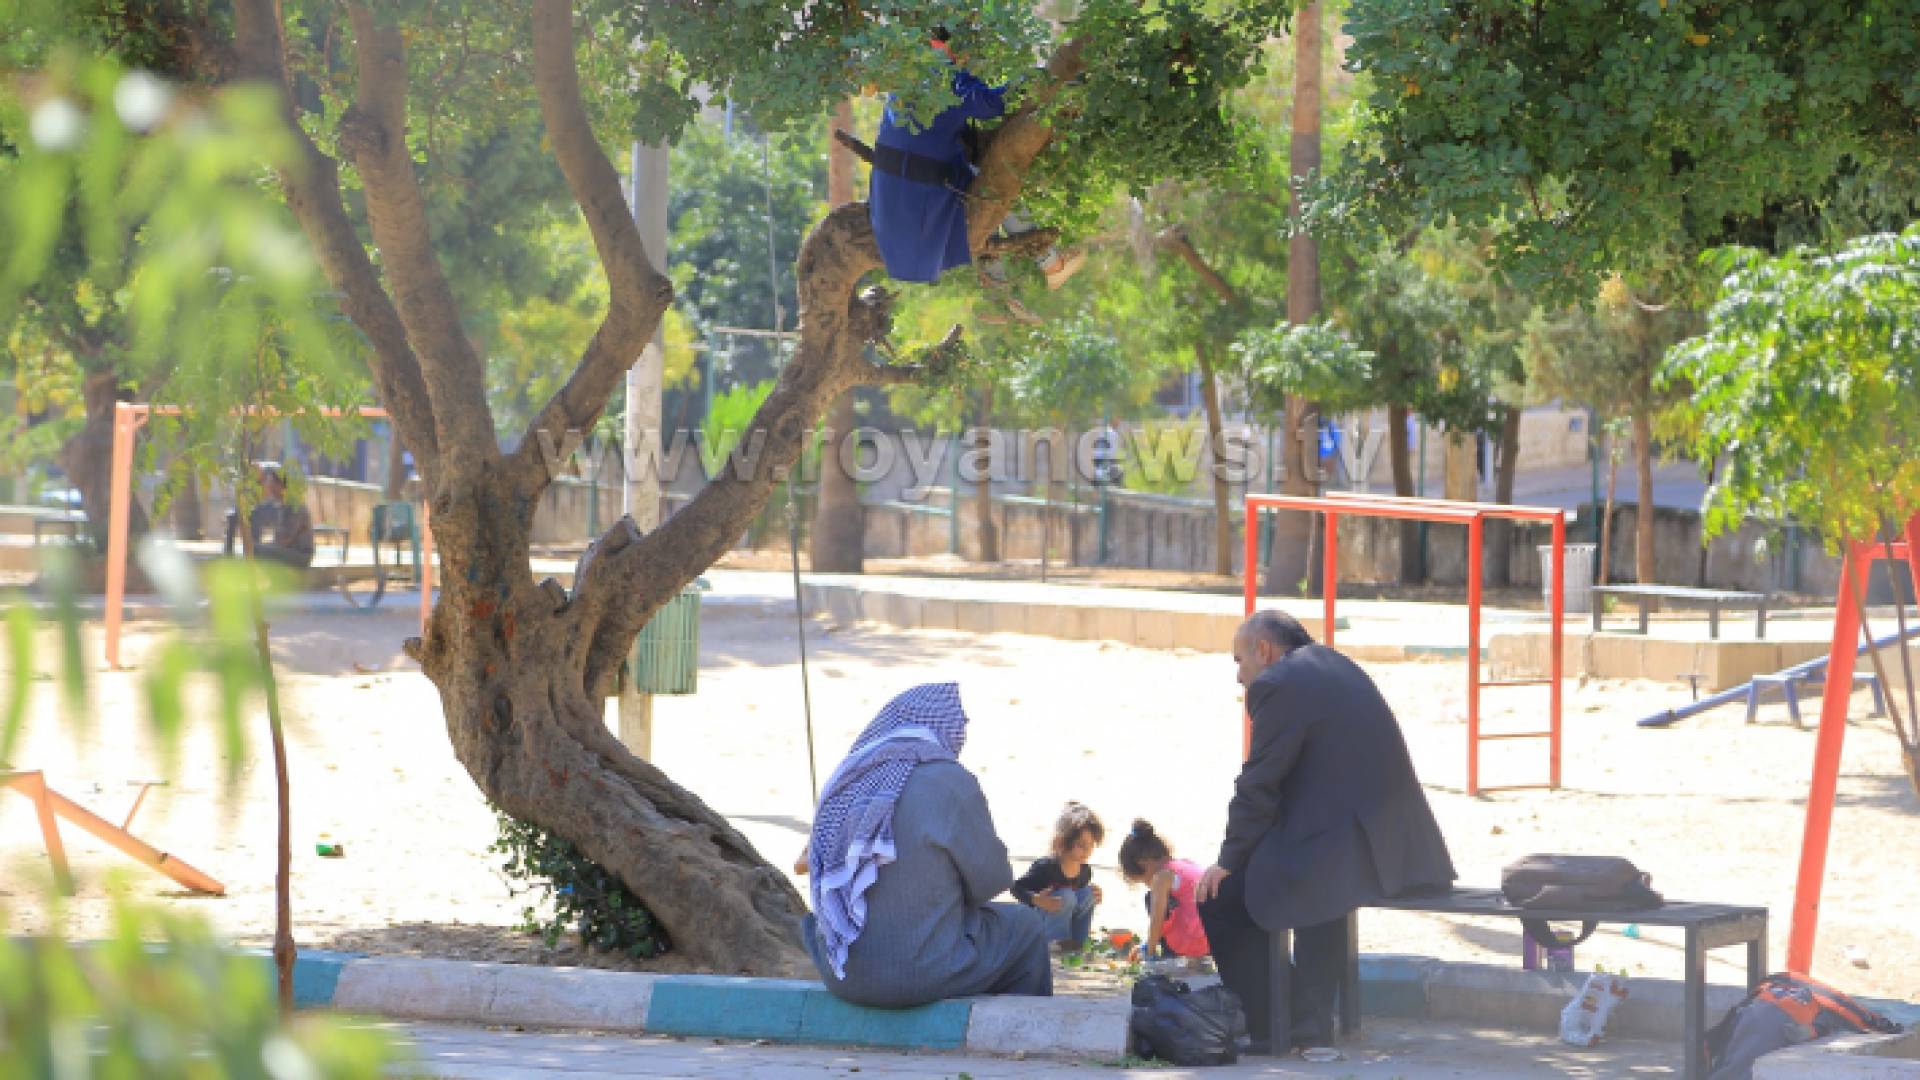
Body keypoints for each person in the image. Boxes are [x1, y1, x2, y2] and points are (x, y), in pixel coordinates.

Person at [1194, 611, 1455, 1055]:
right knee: (1310, 881)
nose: (1240, 677)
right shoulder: (1334, 663)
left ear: (1264, 650)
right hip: (1393, 846)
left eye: (1239, 661)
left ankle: (1281, 1025)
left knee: (1221, 897)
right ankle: (1306, 1020)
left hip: (1345, 847)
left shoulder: (1277, 685)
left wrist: (1228, 860)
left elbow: (1259, 783)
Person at [803, 682, 1052, 1007]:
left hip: (843, 976)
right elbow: (993, 882)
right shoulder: (950, 781)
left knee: (812, 923)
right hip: (923, 974)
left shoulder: (846, 781)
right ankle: (1022, 1035)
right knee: (1026, 927)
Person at [868, 29, 1081, 291]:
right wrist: (1030, 78)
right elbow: (992, 104)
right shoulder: (945, 77)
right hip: (922, 200)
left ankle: (1000, 279)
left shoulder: (907, 74)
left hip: (888, 199)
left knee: (975, 172)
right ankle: (1049, 264)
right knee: (993, 182)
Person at [1011, 801, 1104, 949]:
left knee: (1088, 893)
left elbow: (1077, 904)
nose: (1087, 851)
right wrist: (1037, 899)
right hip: (1040, 924)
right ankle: (1055, 942)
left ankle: (1078, 941)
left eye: (1091, 845)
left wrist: (1095, 897)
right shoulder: (1046, 867)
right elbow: (1016, 888)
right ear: (1061, 842)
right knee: (1066, 896)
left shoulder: (1085, 871)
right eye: (1081, 845)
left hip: (1066, 921)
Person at [1117, 819, 1210, 962]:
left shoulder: (1161, 877)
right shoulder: (1185, 864)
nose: (1148, 884)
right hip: (1214, 937)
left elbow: (1157, 919)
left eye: (1144, 880)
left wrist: (1149, 951)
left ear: (1143, 864)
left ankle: (1170, 955)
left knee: (1150, 898)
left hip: (1195, 941)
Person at [223, 464, 315, 571]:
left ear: (280, 485)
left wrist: (264, 546)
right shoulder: (279, 503)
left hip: (300, 555)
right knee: (255, 548)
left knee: (256, 549)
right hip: (289, 551)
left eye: (271, 483)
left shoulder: (293, 505)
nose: (268, 486)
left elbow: (285, 540)